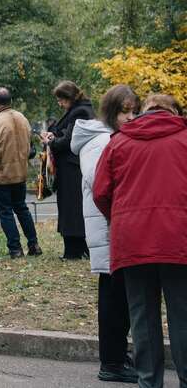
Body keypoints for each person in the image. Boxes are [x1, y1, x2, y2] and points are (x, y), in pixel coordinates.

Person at [93, 94, 187, 388]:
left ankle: (149, 381)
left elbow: (100, 192)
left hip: (132, 240)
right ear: (173, 112)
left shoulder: (119, 142)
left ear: (144, 111)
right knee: (182, 314)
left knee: (142, 317)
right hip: (179, 238)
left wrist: (121, 217)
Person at [71, 85, 139, 384]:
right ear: (111, 111)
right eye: (125, 111)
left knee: (120, 298)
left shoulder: (111, 138)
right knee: (114, 299)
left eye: (134, 110)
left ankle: (117, 355)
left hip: (114, 228)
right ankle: (111, 361)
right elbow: (104, 186)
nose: (131, 116)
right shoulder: (101, 142)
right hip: (109, 229)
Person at [0, 87, 41, 258]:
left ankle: (15, 248)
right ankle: (34, 244)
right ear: (10, 101)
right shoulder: (23, 118)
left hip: (0, 174)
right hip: (20, 172)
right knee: (22, 209)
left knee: (5, 212)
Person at [41, 80, 95, 260]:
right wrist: (53, 134)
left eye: (61, 99)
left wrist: (51, 141)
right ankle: (77, 248)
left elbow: (68, 141)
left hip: (72, 167)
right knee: (71, 207)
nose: (59, 103)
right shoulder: (77, 110)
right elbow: (63, 132)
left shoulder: (80, 112)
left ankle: (74, 250)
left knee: (71, 208)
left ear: (69, 97)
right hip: (70, 167)